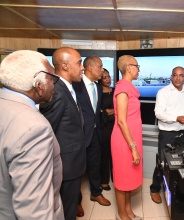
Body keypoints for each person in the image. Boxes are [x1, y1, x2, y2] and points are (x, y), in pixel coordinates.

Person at [0, 50, 64, 219]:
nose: (54, 85)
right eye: (52, 79)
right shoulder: (34, 128)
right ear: (39, 85)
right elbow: (34, 210)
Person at [40, 47, 86, 220]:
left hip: (72, 163)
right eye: (79, 63)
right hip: (66, 164)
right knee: (66, 210)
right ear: (65, 66)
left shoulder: (69, 88)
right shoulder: (57, 91)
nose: (82, 68)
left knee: (69, 206)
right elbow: (46, 131)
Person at [150, 66, 184, 204]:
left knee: (180, 163)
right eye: (175, 75)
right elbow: (159, 113)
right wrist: (177, 118)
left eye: (181, 75)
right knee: (162, 163)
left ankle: (175, 190)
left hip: (182, 132)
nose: (178, 78)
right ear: (171, 77)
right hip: (167, 133)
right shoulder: (163, 92)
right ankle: (155, 189)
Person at [73, 56, 111, 207]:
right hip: (79, 134)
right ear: (90, 68)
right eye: (100, 67)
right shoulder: (75, 85)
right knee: (76, 169)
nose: (102, 70)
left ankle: (96, 193)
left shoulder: (98, 87)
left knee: (94, 165)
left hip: (96, 133)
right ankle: (76, 202)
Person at [111, 55, 143, 220]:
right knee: (122, 179)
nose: (138, 69)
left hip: (131, 138)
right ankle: (122, 215)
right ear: (129, 68)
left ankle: (129, 212)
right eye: (137, 66)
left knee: (129, 178)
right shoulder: (122, 89)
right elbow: (122, 121)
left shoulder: (128, 87)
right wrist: (133, 147)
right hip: (124, 141)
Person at [99, 68, 115, 190]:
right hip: (103, 127)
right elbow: (97, 111)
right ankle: (104, 180)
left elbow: (122, 109)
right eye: (104, 77)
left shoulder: (115, 91)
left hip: (116, 126)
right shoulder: (97, 92)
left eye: (109, 76)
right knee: (104, 154)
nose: (108, 79)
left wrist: (112, 111)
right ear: (99, 79)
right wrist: (106, 112)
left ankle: (116, 177)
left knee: (116, 154)